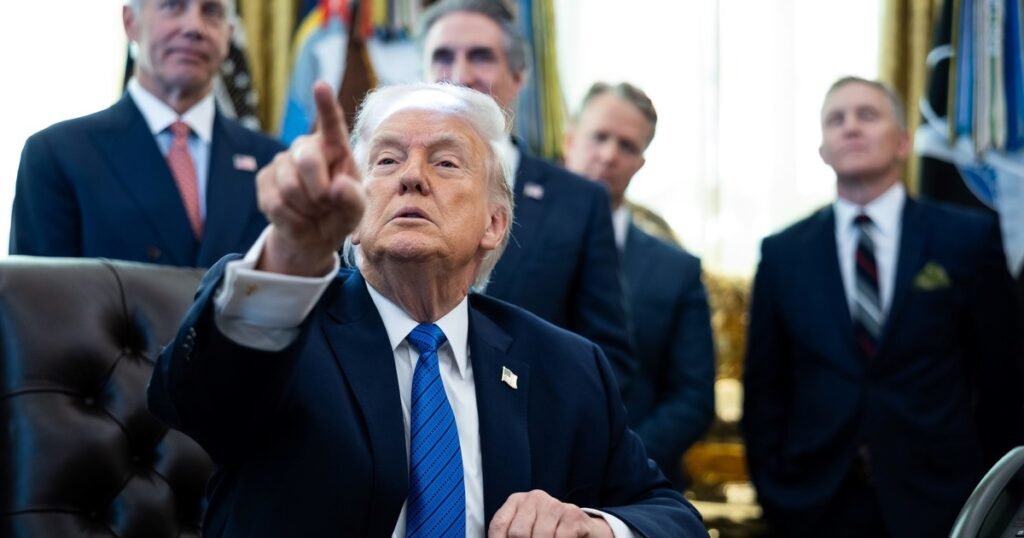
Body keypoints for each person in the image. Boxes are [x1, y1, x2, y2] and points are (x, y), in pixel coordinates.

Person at [147, 82, 707, 537]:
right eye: (387, 159)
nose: (411, 176)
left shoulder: (566, 367)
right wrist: (291, 251)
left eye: (445, 162)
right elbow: (197, 403)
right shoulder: (282, 317)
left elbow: (671, 516)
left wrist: (592, 527)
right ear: (355, 211)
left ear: (494, 224)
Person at [741, 76, 1024, 537]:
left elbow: (1001, 379)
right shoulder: (782, 253)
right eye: (836, 120)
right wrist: (777, 494)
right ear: (823, 149)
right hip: (814, 505)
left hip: (941, 502)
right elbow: (764, 390)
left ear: (903, 142)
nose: (851, 126)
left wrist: (991, 496)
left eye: (868, 115)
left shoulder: (968, 239)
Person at [417, 0, 635, 392]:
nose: (459, 75)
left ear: (519, 76)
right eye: (443, 57)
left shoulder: (579, 202)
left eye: (481, 57)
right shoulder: (384, 184)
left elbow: (607, 361)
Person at [10, 0, 284, 267]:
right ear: (130, 22)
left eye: (211, 10)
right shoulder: (57, 156)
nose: (194, 27)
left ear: (229, 33)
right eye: (172, 6)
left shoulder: (275, 163)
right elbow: (37, 294)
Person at [563, 81, 715, 489]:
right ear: (570, 140)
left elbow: (694, 397)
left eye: (627, 146)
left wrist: (623, 460)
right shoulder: (507, 240)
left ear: (640, 162)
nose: (609, 155)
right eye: (599, 137)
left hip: (633, 483)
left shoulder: (676, 270)